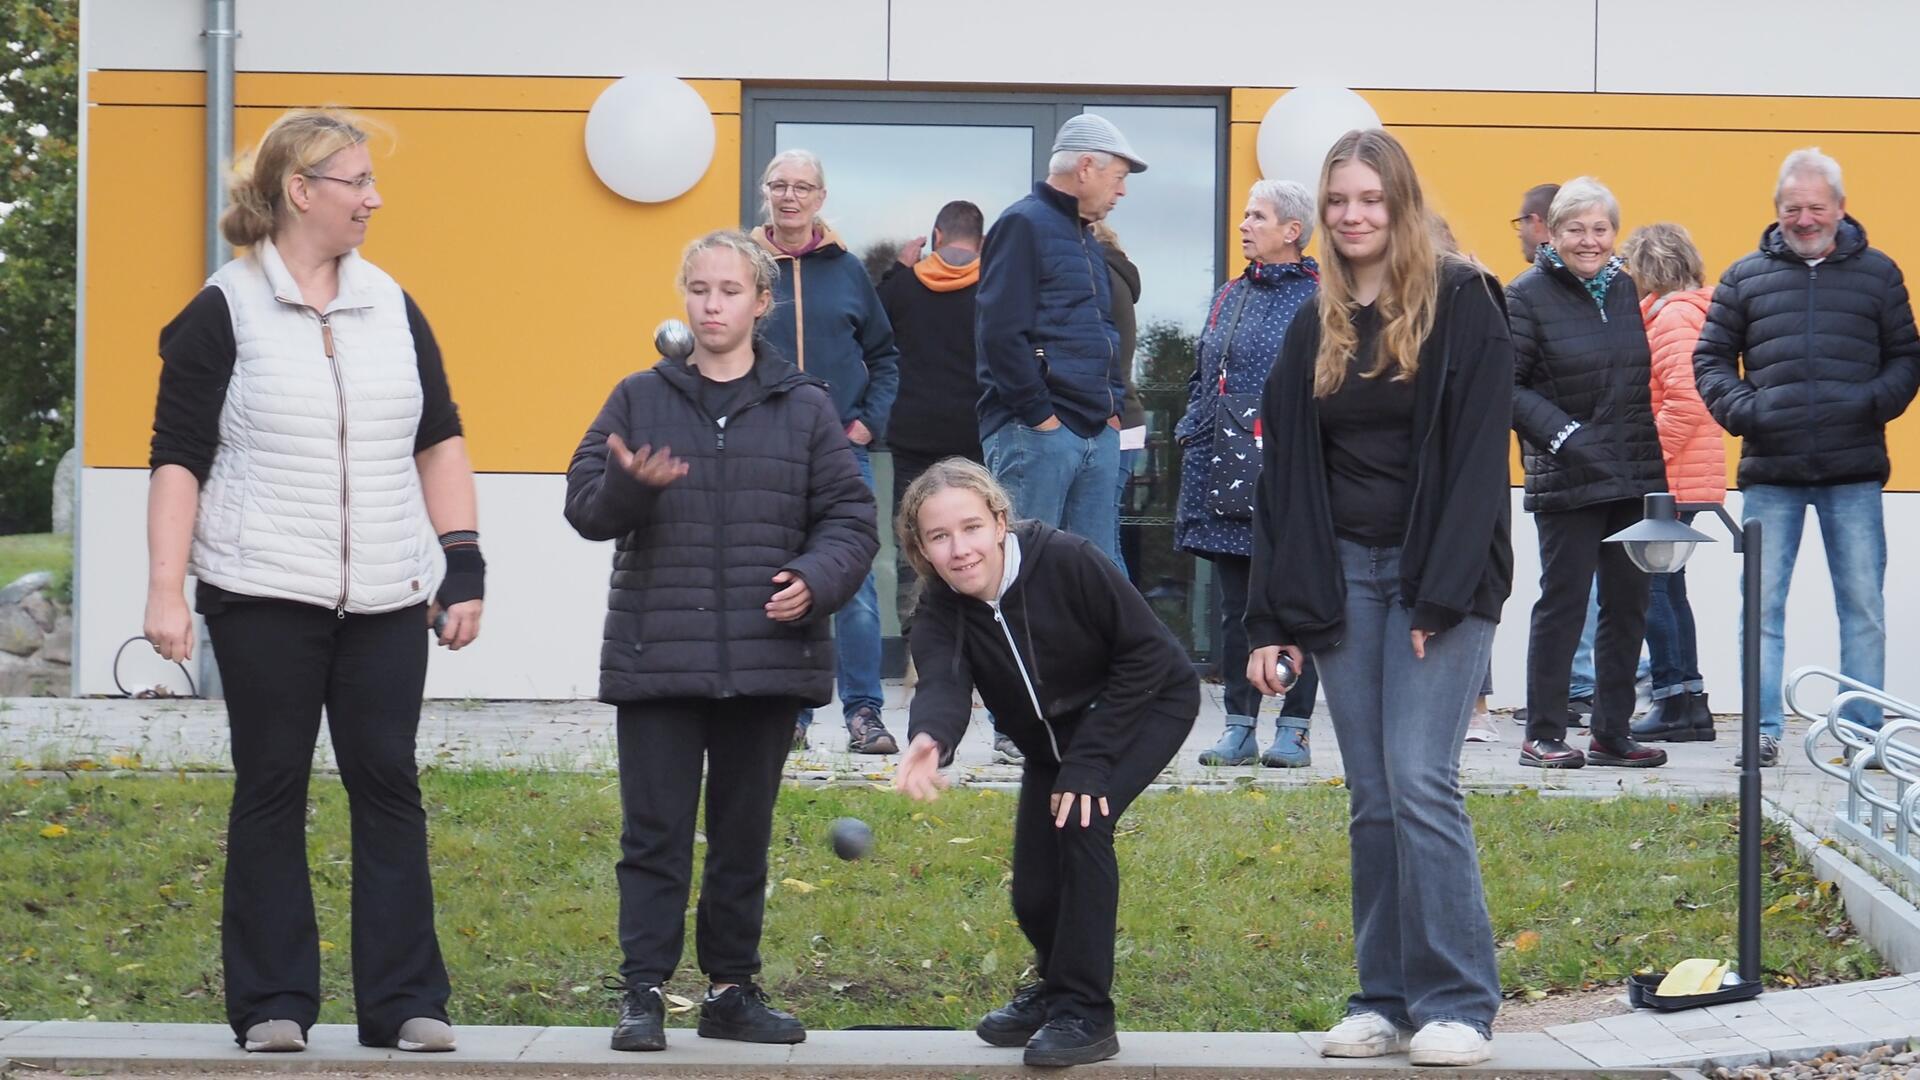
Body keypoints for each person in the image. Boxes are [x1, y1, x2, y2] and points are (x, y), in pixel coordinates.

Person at [143, 109, 477, 1055]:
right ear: (301, 191)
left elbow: (440, 437)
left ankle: (408, 1002)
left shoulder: (393, 305)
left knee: (389, 782)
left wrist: (464, 562)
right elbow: (177, 460)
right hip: (261, 590)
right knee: (271, 785)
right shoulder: (222, 310)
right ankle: (273, 1004)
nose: (374, 199)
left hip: (384, 591)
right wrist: (168, 588)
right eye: (357, 182)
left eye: (373, 183)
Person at [565, 230, 879, 1053]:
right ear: (684, 296)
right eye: (698, 289)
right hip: (658, 659)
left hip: (767, 663)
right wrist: (629, 488)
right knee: (654, 837)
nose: (712, 305)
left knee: (742, 838)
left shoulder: (805, 405)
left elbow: (851, 520)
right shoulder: (637, 397)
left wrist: (818, 576)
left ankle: (733, 993)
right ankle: (642, 994)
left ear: (760, 303)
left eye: (729, 291)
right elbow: (587, 507)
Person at [1244, 128, 1513, 1068]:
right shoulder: (1311, 323)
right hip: (1343, 579)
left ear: (1399, 204)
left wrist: (1438, 598)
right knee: (1371, 796)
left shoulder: (1466, 301)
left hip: (1441, 580)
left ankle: (1458, 1003)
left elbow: (1482, 459)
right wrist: (1268, 620)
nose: (1354, 216)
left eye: (1370, 199)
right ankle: (1384, 998)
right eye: (1338, 201)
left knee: (1419, 778)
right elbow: (1286, 482)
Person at [892, 459, 1196, 1069]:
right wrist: (929, 739)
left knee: (1082, 824)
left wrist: (1090, 762)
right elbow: (944, 685)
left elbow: (1146, 656)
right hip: (1050, 742)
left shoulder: (1068, 559)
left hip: (1143, 706)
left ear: (1000, 522)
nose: (960, 549)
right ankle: (1053, 987)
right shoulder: (940, 608)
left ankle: (1085, 1012)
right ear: (921, 547)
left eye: (972, 527)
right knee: (1033, 892)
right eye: (940, 536)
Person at [1692, 148, 1920, 767]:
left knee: (1863, 609)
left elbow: (1906, 358)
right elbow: (1710, 361)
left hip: (1854, 471)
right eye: (1793, 208)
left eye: (1817, 207)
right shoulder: (1744, 278)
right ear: (1777, 212)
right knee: (1761, 609)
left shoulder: (1879, 274)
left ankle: (1864, 735)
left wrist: (1869, 403)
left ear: (1841, 209)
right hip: (1771, 474)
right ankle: (1762, 732)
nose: (1805, 218)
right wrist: (1750, 412)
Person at [1508, 177, 1670, 770]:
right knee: (1565, 602)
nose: (1589, 240)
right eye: (1575, 228)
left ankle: (1611, 733)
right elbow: (1508, 386)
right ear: (1551, 232)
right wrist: (1565, 437)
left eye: (1600, 228)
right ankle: (1544, 732)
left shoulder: (1625, 289)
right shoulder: (1524, 295)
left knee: (1630, 604)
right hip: (1568, 475)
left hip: (1632, 472)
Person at [751, 149, 902, 755]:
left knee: (854, 585)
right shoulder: (744, 264)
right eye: (779, 186)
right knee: (779, 580)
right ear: (765, 193)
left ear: (820, 198)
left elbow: (885, 356)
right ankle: (789, 715)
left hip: (843, 453)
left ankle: (864, 714)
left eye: (803, 187)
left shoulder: (847, 271)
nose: (790, 197)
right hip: (764, 452)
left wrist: (867, 423)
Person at [1174, 178, 1323, 767]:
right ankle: (1239, 726)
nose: (1244, 225)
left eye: (1256, 216)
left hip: (1292, 477)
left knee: (1295, 603)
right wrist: (1192, 423)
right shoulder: (1228, 295)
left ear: (1292, 230)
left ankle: (1296, 727)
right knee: (1236, 607)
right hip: (1224, 474)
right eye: (1243, 214)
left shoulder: (1320, 297)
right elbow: (1203, 371)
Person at [877, 200, 1025, 765]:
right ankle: (990, 674)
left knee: (917, 549)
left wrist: (897, 268)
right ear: (982, 243)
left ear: (937, 235)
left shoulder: (904, 287)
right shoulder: (993, 289)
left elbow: (877, 333)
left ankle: (925, 669)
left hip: (913, 434)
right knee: (980, 551)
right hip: (977, 436)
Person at [975, 114, 1146, 564]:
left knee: (1094, 575)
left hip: (1092, 428)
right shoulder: (1023, 224)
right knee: (1024, 572)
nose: (1123, 191)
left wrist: (1109, 410)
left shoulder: (1086, 239)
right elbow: (999, 332)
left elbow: (1104, 332)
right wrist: (1040, 417)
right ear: (1086, 167)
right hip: (1037, 432)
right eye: (1119, 178)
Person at [1622, 223, 1723, 744]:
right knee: (1669, 587)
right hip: (1683, 475)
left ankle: (1673, 699)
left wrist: (1643, 459)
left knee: (1651, 588)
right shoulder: (1688, 313)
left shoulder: (1674, 317)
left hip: (1670, 478)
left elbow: (1685, 400)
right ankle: (1688, 702)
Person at [1088, 220, 1148, 580]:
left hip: (1111, 417)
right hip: (1127, 415)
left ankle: (1125, 628)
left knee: (1101, 542)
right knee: (1103, 535)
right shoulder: (1119, 276)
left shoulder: (1099, 276)